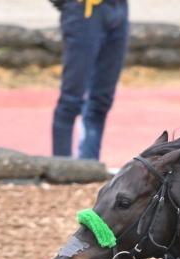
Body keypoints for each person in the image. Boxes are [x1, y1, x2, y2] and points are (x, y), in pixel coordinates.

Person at [49, 0, 130, 161]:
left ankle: (89, 164)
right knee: (72, 99)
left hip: (118, 9)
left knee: (102, 100)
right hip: (84, 12)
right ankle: (61, 167)